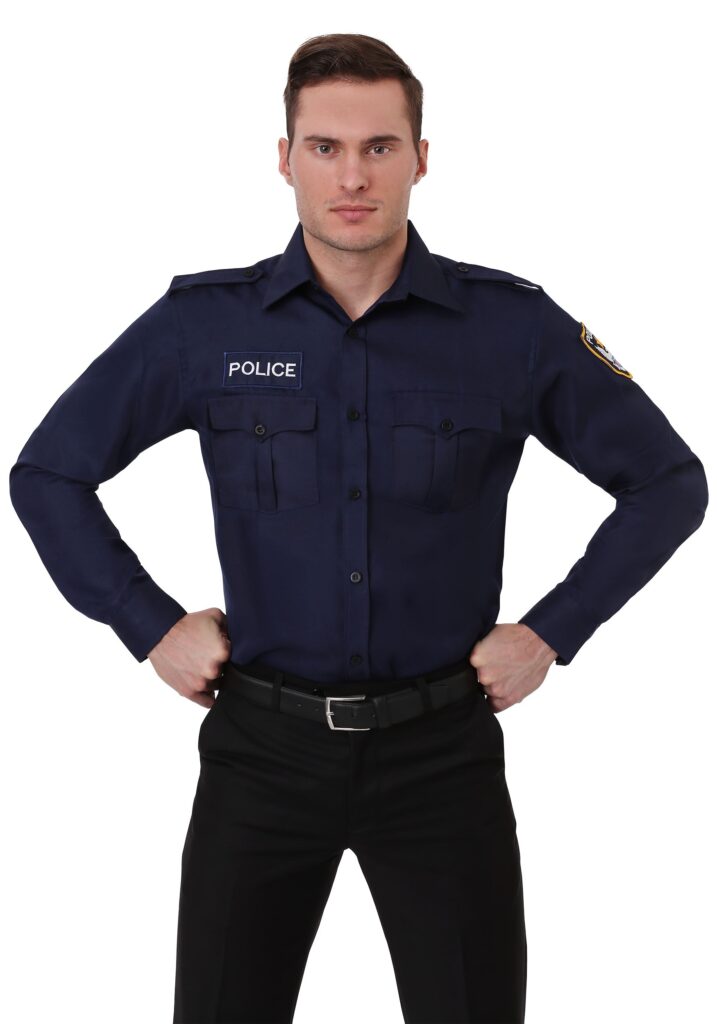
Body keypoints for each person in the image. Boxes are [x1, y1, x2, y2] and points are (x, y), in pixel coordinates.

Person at [7, 31, 708, 1024]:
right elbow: (47, 473)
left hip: (442, 755)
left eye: (379, 147)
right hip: (261, 753)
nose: (351, 176)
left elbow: (669, 482)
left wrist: (552, 632)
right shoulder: (206, 326)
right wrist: (147, 623)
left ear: (421, 157)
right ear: (284, 157)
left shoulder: (509, 328)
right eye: (325, 147)